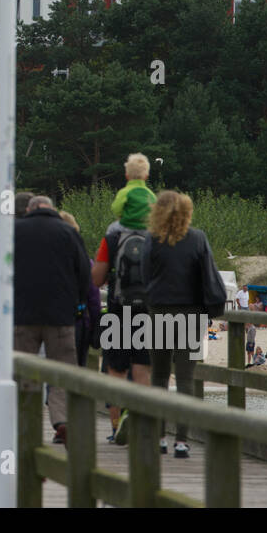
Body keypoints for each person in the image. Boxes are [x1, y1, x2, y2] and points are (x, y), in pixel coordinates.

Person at [0, 195, 90, 445]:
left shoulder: (8, 233)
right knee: (62, 370)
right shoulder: (68, 232)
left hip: (21, 316)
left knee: (22, 369)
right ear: (51, 208)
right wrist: (76, 305)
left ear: (29, 210)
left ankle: (24, 425)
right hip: (60, 317)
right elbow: (84, 274)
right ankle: (62, 421)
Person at [145, 190, 227, 458]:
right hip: (190, 315)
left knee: (158, 376)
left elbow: (145, 275)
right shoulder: (197, 238)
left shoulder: (152, 240)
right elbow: (208, 274)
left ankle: (158, 437)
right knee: (185, 378)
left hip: (159, 314)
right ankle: (182, 440)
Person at [91, 210, 153, 443]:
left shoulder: (112, 238)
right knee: (142, 369)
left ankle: (116, 428)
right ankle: (142, 425)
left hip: (117, 310)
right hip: (148, 313)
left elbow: (96, 279)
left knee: (115, 369)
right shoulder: (155, 238)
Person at [111, 153, 156, 229]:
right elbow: (155, 212)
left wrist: (123, 215)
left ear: (126, 176)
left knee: (111, 230)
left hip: (126, 226)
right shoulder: (151, 194)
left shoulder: (124, 192)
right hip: (146, 229)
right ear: (146, 177)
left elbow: (116, 209)